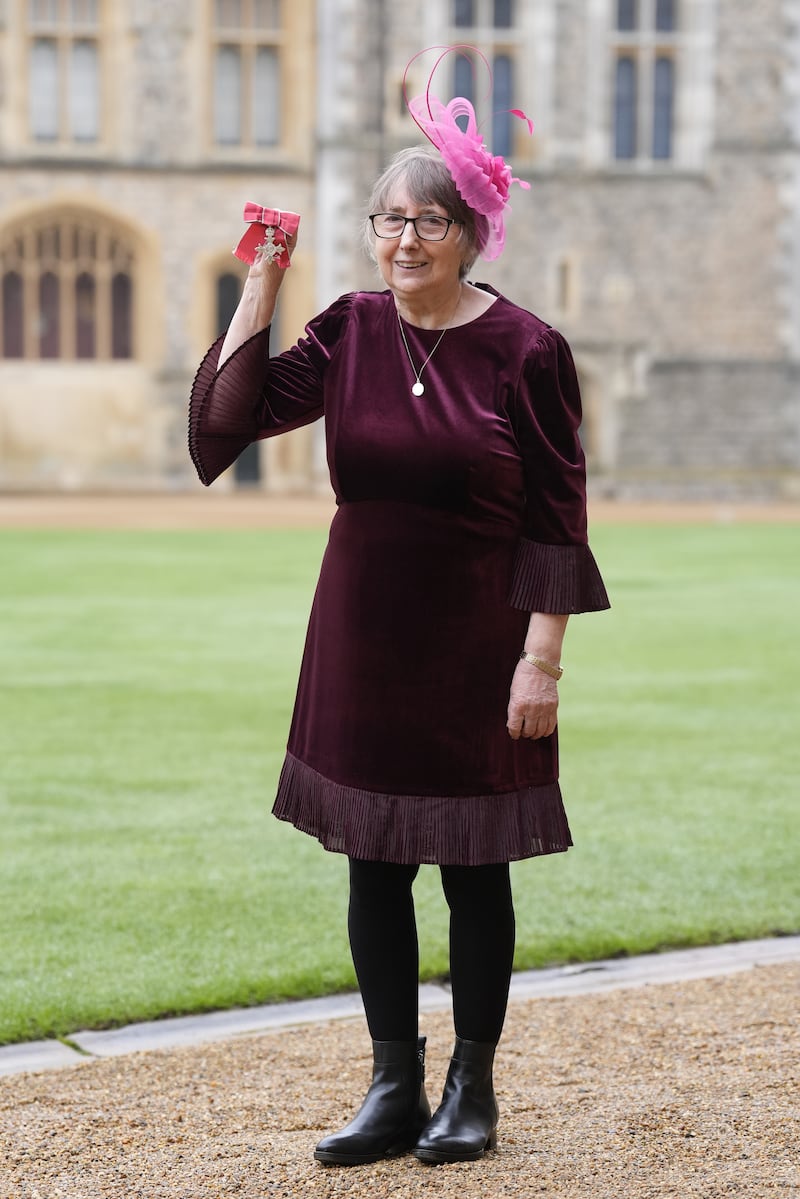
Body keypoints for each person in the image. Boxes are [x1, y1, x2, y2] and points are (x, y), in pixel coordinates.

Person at [189, 46, 609, 1168]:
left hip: (480, 642)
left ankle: (470, 1087)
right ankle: (391, 1084)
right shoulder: (348, 329)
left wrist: (543, 659)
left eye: (428, 220)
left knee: (475, 868)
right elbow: (221, 427)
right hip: (361, 634)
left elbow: (558, 516)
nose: (405, 239)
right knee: (371, 862)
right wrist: (261, 287)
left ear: (470, 229)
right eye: (386, 220)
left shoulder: (527, 349)